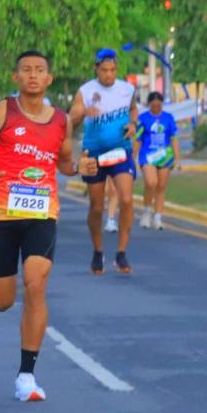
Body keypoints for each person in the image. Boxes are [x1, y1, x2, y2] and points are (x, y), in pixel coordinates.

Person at [0, 50, 97, 401]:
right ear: (16, 77)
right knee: (2, 301)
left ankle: (27, 376)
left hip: (41, 214)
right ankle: (17, 304)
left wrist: (79, 170)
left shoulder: (61, 122)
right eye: (26, 70)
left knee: (36, 282)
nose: (33, 75)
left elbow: (65, 164)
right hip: (0, 216)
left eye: (40, 70)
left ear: (49, 79)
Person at [70, 48, 138, 275]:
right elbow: (72, 118)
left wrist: (133, 124)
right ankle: (98, 250)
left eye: (112, 70)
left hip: (120, 151)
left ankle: (121, 252)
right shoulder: (85, 91)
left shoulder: (127, 89)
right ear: (96, 69)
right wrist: (83, 112)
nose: (108, 75)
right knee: (97, 207)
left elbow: (133, 110)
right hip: (94, 154)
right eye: (104, 70)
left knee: (126, 199)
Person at [135, 92, 181, 230]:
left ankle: (158, 217)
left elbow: (173, 139)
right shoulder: (143, 119)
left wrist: (178, 159)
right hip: (147, 156)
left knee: (161, 186)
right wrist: (133, 157)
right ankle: (147, 211)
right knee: (151, 182)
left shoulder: (168, 118)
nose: (156, 107)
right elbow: (138, 139)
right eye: (153, 105)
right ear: (149, 104)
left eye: (159, 105)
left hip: (165, 156)